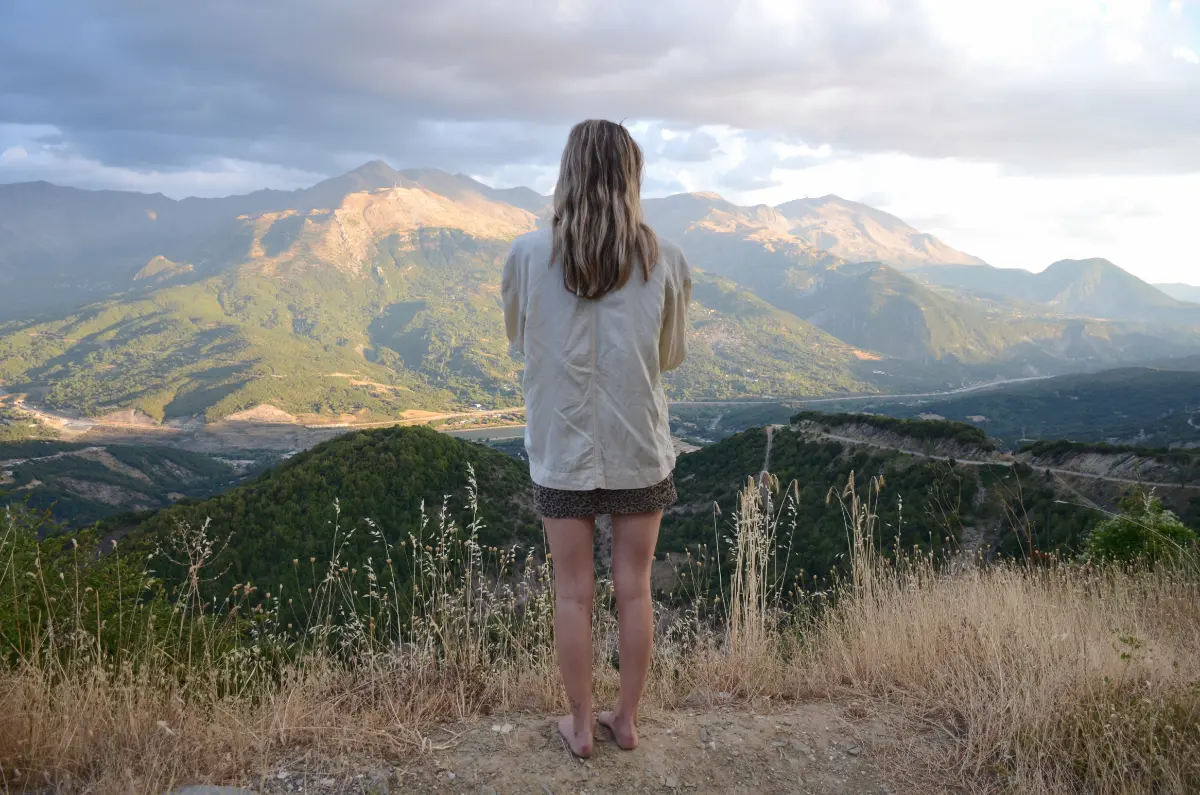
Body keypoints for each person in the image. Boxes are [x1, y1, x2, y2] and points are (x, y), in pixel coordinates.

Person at [501, 119, 691, 758]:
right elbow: (669, 357)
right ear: (632, 177)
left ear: (567, 174)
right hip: (640, 444)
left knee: (572, 592)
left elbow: (520, 340)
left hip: (560, 447)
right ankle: (627, 720)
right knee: (633, 587)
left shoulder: (528, 256)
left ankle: (580, 727)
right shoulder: (663, 260)